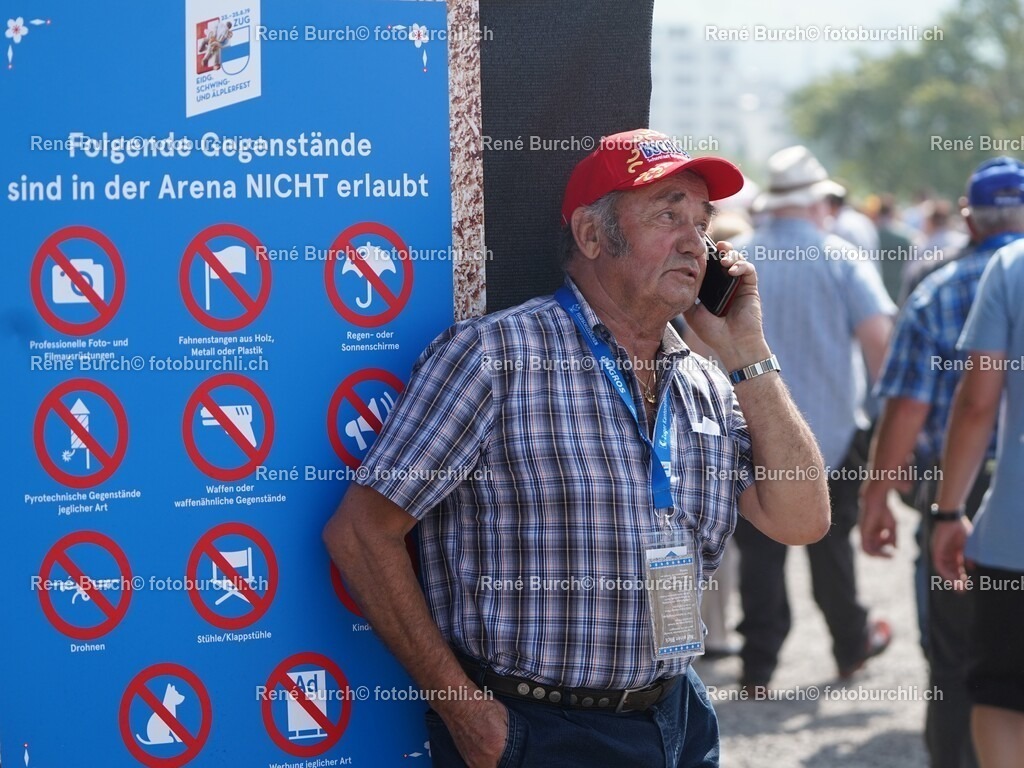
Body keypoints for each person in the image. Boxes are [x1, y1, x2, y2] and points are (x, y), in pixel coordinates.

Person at [323, 129, 830, 767]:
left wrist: (747, 349)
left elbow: (803, 519)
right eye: (668, 215)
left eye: (702, 224)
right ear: (591, 236)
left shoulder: (704, 381)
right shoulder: (495, 357)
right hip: (538, 731)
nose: (694, 243)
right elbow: (361, 533)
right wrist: (466, 712)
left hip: (678, 718)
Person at [859, 157, 1024, 768]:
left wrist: (878, 498)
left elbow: (912, 406)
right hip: (997, 490)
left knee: (961, 661)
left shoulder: (937, 290)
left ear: (968, 219)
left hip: (972, 495)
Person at [732, 145, 896, 692]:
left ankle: (758, 666)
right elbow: (879, 343)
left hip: (751, 433)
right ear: (817, 202)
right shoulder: (842, 257)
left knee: (759, 552)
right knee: (832, 547)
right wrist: (887, 422)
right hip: (833, 434)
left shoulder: (737, 259)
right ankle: (850, 646)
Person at [932, 232, 1024, 768]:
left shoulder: (1012, 265)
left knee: (1003, 696)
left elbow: (977, 403)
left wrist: (948, 511)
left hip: (1014, 537)